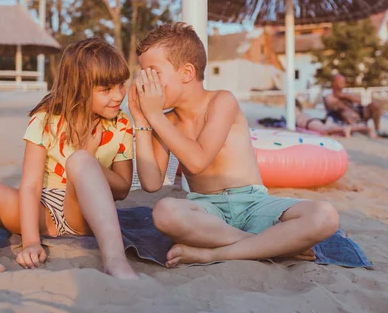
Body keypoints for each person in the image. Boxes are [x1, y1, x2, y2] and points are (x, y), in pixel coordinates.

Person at [129, 22, 339, 267]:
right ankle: (265, 245)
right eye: (143, 74)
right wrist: (143, 121)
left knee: (325, 215)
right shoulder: (166, 121)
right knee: (164, 212)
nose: (145, 82)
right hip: (207, 211)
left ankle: (215, 254)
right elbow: (152, 183)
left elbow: (197, 162)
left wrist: (154, 116)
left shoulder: (222, 101)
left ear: (186, 73)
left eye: (153, 73)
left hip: (252, 202)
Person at [0, 38, 139, 289]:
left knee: (79, 160)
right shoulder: (46, 119)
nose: (118, 95)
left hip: (82, 213)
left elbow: (122, 189)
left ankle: (115, 261)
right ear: (79, 88)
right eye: (107, 89)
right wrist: (31, 242)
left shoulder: (120, 125)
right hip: (43, 212)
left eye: (121, 85)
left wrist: (88, 156)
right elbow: (31, 185)